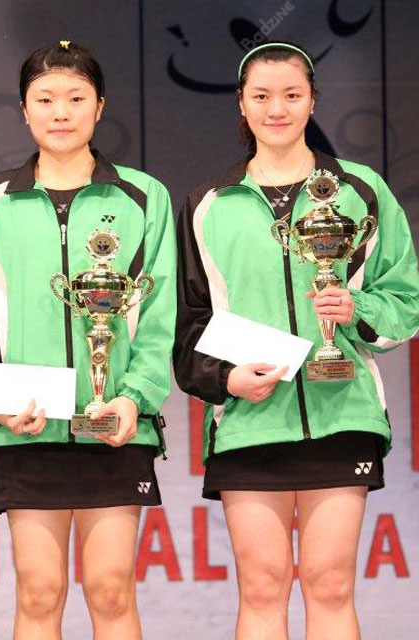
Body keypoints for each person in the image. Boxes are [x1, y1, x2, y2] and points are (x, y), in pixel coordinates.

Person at [173, 41, 419, 640]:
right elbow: (186, 325)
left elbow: (405, 300)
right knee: (262, 587)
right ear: (241, 103)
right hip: (248, 422)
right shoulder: (209, 204)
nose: (276, 109)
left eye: (291, 94)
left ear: (312, 101)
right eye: (261, 96)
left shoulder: (360, 190)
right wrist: (225, 379)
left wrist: (357, 308)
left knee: (330, 584)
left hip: (342, 413)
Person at [0, 40, 176, 640]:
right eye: (45, 99)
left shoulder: (143, 196)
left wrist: (134, 396)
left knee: (111, 590)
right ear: (24, 110)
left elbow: (160, 314)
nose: (60, 112)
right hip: (27, 427)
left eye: (76, 98)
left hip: (115, 423)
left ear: (100, 106)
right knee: (38, 591)